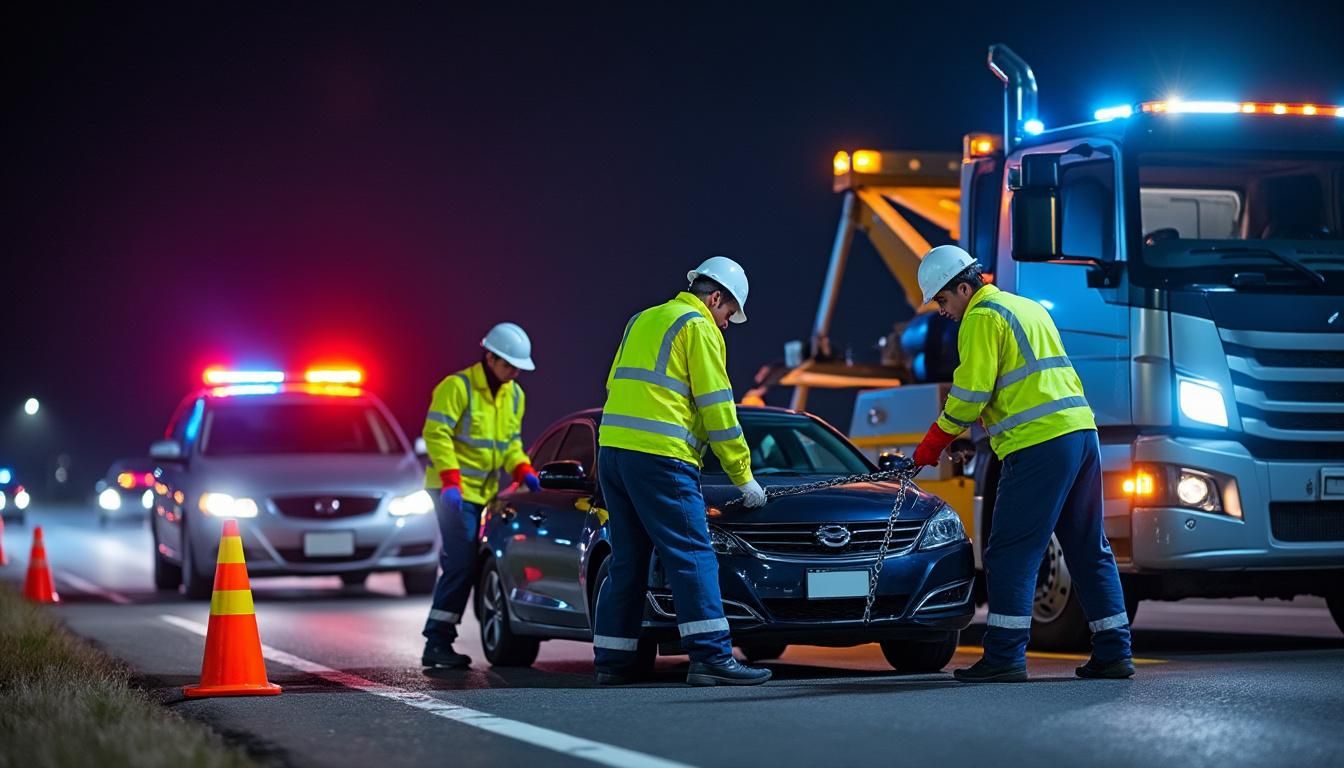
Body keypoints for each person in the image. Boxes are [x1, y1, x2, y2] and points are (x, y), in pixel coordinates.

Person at [911, 245, 1134, 682]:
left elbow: (971, 392)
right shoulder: (1025, 307)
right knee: (1089, 549)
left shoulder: (980, 316)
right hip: (1080, 435)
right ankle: (1113, 651)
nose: (943, 312)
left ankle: (1005, 657)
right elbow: (1017, 384)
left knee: (1011, 550)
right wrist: (979, 436)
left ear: (963, 286)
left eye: (942, 300)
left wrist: (931, 446)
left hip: (1038, 445)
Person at [593, 256, 772, 686]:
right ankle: (711, 658)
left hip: (613, 453)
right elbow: (718, 409)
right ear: (714, 298)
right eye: (729, 312)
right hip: (661, 458)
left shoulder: (642, 320)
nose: (727, 323)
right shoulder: (698, 326)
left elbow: (614, 385)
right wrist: (742, 475)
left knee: (627, 560)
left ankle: (613, 662)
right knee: (692, 554)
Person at [420, 322, 541, 668]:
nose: (515, 372)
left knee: (468, 563)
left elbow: (509, 445)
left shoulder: (514, 395)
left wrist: (523, 470)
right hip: (451, 493)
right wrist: (450, 480)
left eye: (518, 367)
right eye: (509, 365)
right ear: (489, 357)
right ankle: (437, 641)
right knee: (461, 562)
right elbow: (436, 433)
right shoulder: (457, 387)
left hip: (483, 494)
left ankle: (440, 639)